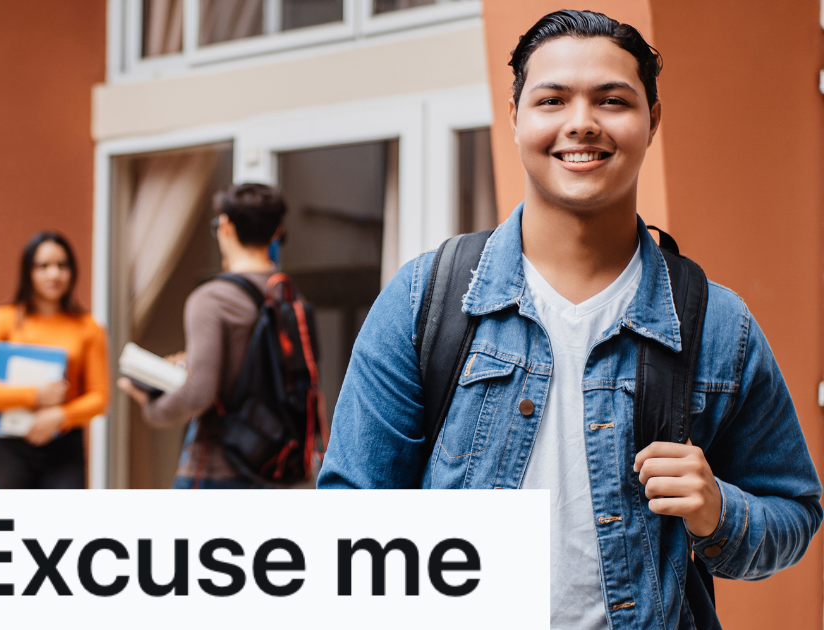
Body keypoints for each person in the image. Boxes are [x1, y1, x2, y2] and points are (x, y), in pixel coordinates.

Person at [318, 10, 821, 630]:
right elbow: (349, 519)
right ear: (515, 117)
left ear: (652, 121)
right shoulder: (428, 298)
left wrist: (718, 509)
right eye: (552, 99)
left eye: (612, 101)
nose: (581, 123)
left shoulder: (720, 325)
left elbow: (794, 512)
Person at [117, 183, 286, 489]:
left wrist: (151, 407)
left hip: (219, 468)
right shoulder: (289, 297)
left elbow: (199, 392)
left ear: (225, 226)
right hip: (275, 464)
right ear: (277, 231)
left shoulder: (213, 298)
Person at [0, 231, 108, 489]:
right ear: (28, 271)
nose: (54, 274)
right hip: (11, 444)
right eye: (43, 266)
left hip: (65, 446)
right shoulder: (2, 320)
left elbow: (99, 398)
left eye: (62, 266)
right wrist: (36, 396)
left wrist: (61, 416)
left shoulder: (88, 327)